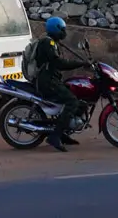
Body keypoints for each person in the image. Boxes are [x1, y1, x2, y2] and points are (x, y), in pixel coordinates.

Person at [33, 17, 88, 153]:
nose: (65, 32)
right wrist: (80, 64)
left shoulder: (53, 42)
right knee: (72, 102)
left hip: (53, 80)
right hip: (47, 82)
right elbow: (59, 63)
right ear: (56, 29)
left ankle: (63, 132)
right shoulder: (48, 43)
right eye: (62, 29)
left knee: (81, 102)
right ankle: (55, 136)